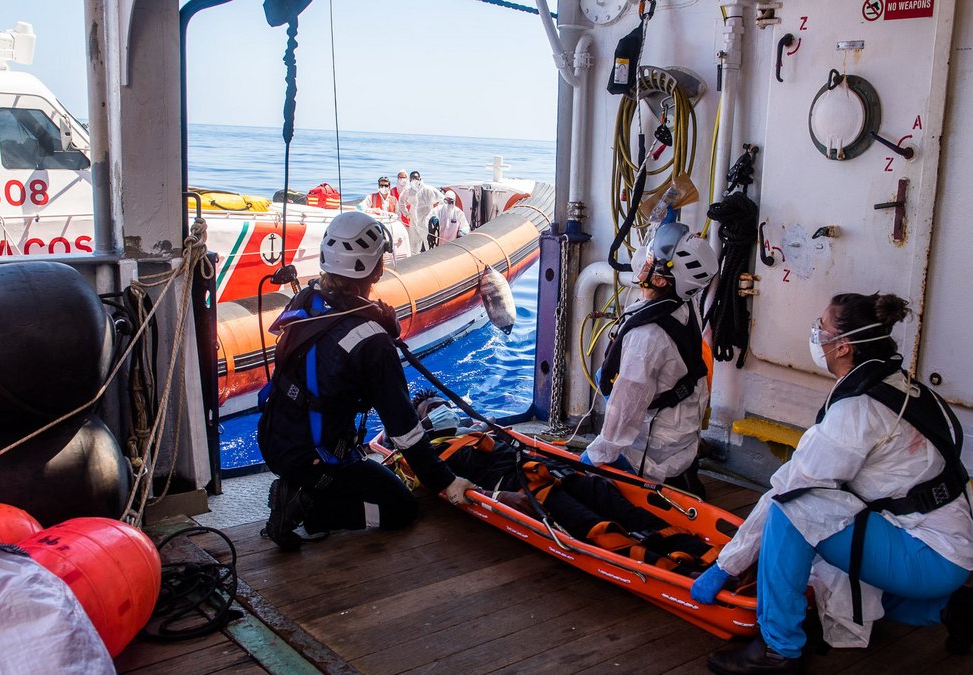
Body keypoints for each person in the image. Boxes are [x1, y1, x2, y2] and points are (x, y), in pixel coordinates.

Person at [691, 292, 973, 675]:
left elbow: (789, 491)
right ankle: (948, 607)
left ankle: (779, 650)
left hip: (927, 556)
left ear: (843, 346)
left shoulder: (857, 411)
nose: (815, 334)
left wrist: (727, 567)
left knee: (790, 513)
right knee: (832, 576)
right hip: (950, 543)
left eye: (821, 328)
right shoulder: (902, 387)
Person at [256, 211, 477, 550]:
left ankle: (303, 491)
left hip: (275, 439)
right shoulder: (372, 343)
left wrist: (382, 326)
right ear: (375, 269)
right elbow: (404, 429)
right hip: (315, 460)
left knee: (374, 479)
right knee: (400, 509)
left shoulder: (308, 300)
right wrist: (445, 483)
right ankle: (309, 509)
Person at [409, 392, 716, 571]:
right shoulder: (434, 455)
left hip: (557, 471)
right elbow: (455, 488)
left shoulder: (486, 431)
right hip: (531, 492)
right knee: (598, 528)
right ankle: (679, 572)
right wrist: (500, 498)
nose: (442, 410)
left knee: (629, 513)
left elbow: (528, 446)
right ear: (423, 425)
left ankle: (710, 557)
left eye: (442, 404)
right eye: (432, 410)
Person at [580, 222, 717, 497]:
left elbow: (625, 408)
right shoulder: (682, 304)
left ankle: (634, 480)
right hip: (681, 435)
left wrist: (596, 456)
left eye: (651, 261)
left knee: (587, 468)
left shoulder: (647, 337)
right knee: (604, 377)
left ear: (660, 280)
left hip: (653, 453)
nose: (643, 264)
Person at [396, 171, 442, 253]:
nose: (414, 180)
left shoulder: (428, 189)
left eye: (416, 178)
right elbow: (401, 202)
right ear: (409, 180)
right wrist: (406, 214)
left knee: (429, 244)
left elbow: (442, 198)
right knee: (413, 245)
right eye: (412, 178)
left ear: (420, 179)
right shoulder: (408, 191)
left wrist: (436, 212)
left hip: (426, 222)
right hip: (413, 222)